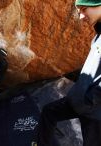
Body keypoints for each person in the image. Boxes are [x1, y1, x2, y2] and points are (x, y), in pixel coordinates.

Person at [33, 0, 101, 146]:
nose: (81, 16)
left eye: (84, 9)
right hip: (78, 99)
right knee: (48, 112)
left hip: (94, 114)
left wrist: (90, 100)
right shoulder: (98, 36)